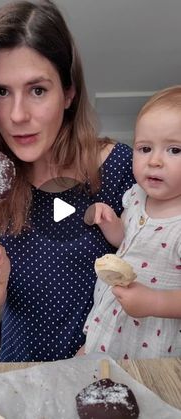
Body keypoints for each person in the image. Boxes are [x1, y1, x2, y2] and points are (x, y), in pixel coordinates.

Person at [0, 0, 134, 362]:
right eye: (1, 91)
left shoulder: (123, 168)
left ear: (68, 93)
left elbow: (156, 271)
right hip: (18, 372)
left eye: (37, 90)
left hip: (107, 374)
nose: (17, 115)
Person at [78, 85, 181, 359]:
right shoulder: (136, 196)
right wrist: (106, 218)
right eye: (145, 148)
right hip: (112, 316)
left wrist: (155, 301)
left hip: (155, 335)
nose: (155, 161)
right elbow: (124, 240)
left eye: (175, 150)